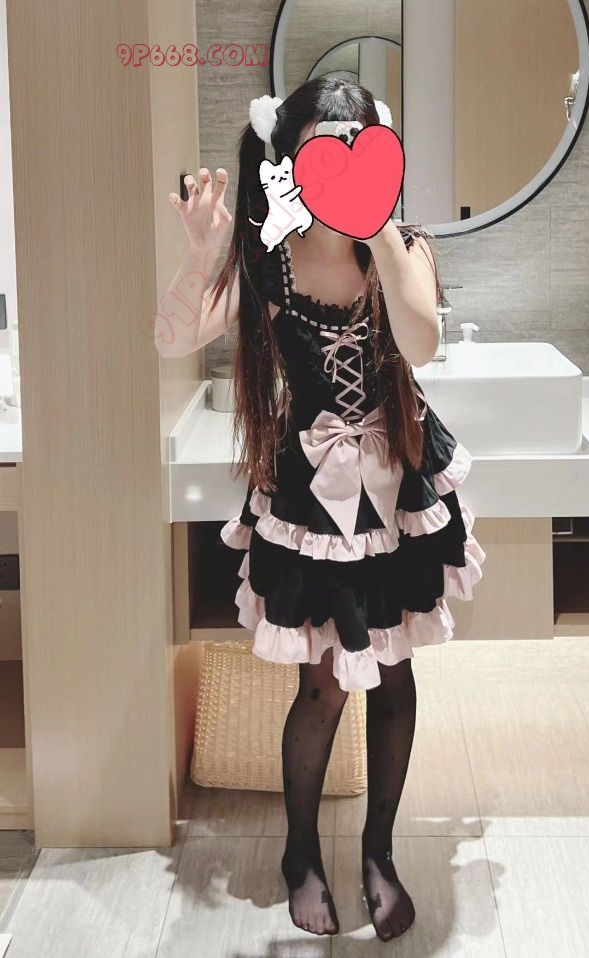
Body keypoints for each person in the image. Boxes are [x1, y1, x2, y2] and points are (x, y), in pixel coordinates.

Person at [157, 75, 485, 943]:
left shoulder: (404, 247)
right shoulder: (269, 257)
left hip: (401, 489)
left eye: (357, 150)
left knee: (397, 675)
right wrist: (201, 256)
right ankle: (300, 853)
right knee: (324, 687)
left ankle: (378, 852)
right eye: (322, 153)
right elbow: (171, 337)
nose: (340, 166)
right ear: (291, 164)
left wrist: (377, 228)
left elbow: (422, 344)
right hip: (311, 497)